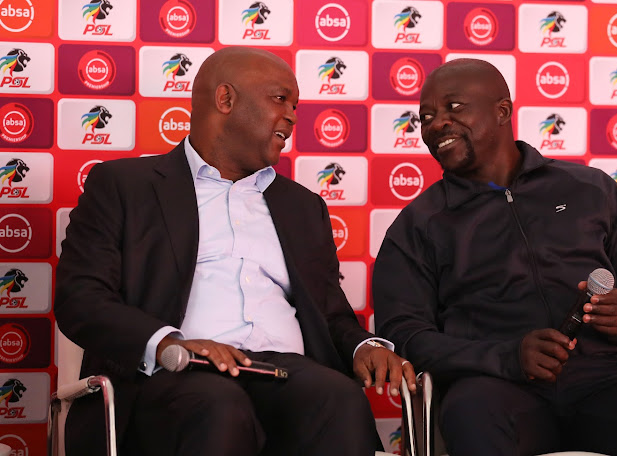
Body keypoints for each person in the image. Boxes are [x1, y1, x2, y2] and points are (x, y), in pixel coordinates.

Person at [55, 47, 416, 456]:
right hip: (176, 374)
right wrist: (167, 343)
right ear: (225, 99)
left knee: (338, 396)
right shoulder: (125, 185)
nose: (293, 116)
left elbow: (329, 314)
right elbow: (80, 298)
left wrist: (363, 345)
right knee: (217, 403)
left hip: (286, 370)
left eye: (295, 105)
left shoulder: (302, 205)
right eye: (280, 99)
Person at [372, 58, 617, 456]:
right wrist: (506, 357)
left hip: (606, 381)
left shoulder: (591, 190)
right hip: (494, 389)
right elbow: (404, 335)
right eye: (426, 116)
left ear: (502, 110)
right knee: (470, 413)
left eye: (453, 108)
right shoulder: (418, 224)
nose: (436, 124)